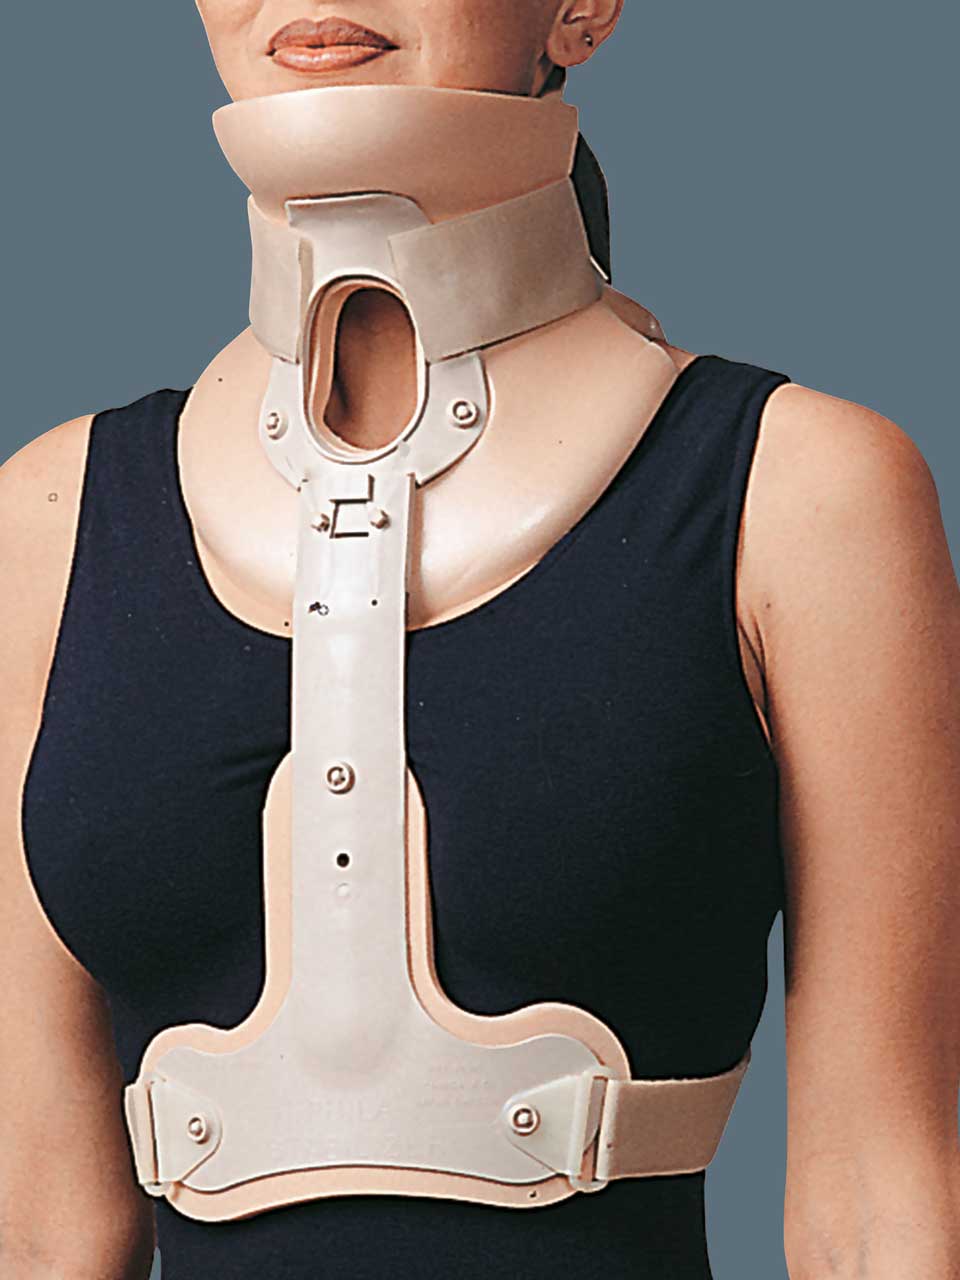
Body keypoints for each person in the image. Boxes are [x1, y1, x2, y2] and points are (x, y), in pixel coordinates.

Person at [1, 2, 958, 1278]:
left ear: (582, 8)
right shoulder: (51, 516)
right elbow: (42, 1223)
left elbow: (877, 1203)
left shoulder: (805, 492)